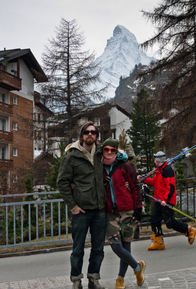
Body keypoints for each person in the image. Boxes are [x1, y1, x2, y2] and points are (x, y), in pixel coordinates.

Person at [57, 121, 106, 289]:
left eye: (93, 132)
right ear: (82, 135)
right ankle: (76, 281)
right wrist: (73, 206)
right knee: (77, 249)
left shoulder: (102, 153)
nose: (90, 134)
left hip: (99, 209)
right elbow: (62, 182)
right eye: (87, 132)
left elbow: (119, 157)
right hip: (81, 211)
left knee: (98, 249)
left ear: (96, 135)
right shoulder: (72, 156)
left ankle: (94, 280)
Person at [102, 137, 146, 288]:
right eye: (106, 149)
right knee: (115, 246)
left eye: (112, 150)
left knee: (126, 246)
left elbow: (135, 187)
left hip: (128, 211)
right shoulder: (99, 168)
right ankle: (138, 268)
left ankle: (120, 278)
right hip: (111, 213)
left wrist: (138, 208)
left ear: (116, 152)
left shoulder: (125, 167)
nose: (108, 153)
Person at [138, 151, 196, 251]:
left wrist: (165, 200)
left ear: (157, 160)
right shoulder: (158, 171)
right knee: (154, 219)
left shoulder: (167, 170)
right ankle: (158, 242)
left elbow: (170, 187)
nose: (154, 161)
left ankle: (188, 229)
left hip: (166, 201)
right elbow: (154, 182)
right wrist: (144, 179)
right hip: (158, 200)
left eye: (155, 159)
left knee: (169, 222)